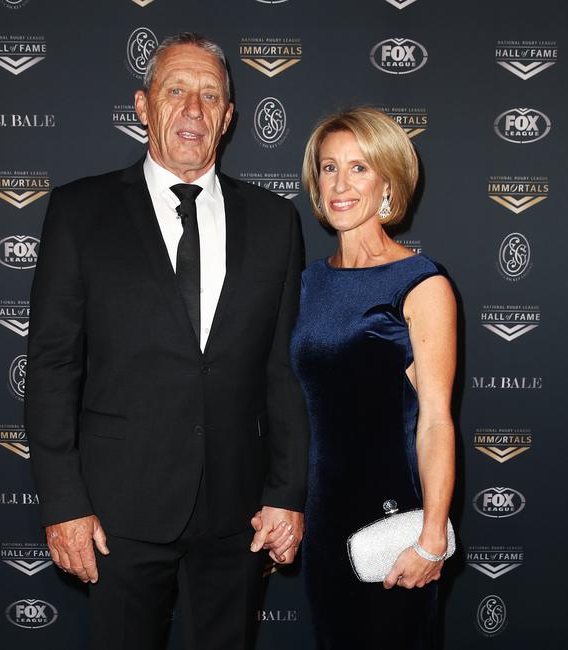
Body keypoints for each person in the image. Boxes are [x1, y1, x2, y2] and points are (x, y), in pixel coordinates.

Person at [25, 32, 310, 650]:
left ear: (229, 119)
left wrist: (286, 494)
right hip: (115, 511)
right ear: (143, 105)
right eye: (175, 90)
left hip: (239, 512)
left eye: (211, 96)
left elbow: (283, 372)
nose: (193, 109)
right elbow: (50, 367)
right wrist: (63, 503)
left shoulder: (274, 221)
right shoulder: (80, 211)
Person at [291, 107, 456, 649]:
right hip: (321, 517)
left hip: (393, 523)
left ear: (388, 180)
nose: (340, 184)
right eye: (329, 167)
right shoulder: (307, 282)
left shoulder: (419, 283)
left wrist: (432, 538)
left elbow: (434, 420)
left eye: (359, 168)